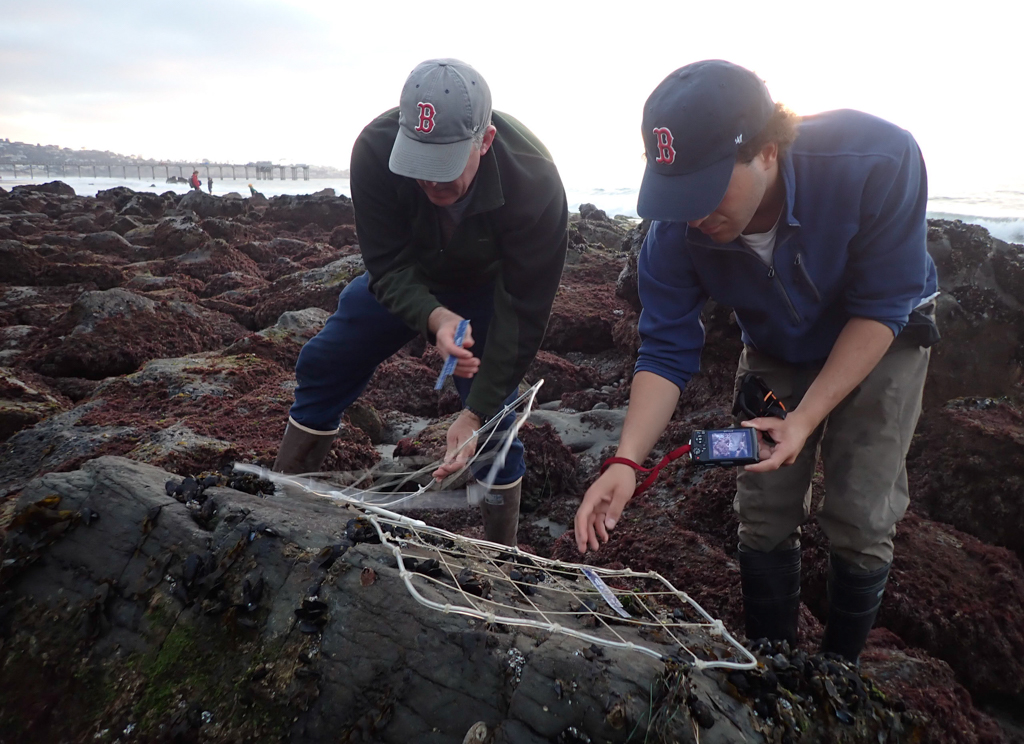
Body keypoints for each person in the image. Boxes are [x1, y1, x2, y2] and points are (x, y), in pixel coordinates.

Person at [574, 60, 938, 663]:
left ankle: (837, 670)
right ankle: (774, 659)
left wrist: (807, 417)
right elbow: (665, 348)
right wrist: (625, 460)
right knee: (764, 510)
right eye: (676, 192)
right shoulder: (674, 233)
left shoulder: (877, 157)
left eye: (706, 188)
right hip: (775, 344)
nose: (692, 214)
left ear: (767, 150)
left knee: (860, 511)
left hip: (882, 337)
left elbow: (883, 305)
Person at [274, 59, 568, 546]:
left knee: (495, 420)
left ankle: (500, 555)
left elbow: (526, 308)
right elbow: (386, 266)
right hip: (409, 276)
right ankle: (285, 500)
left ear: (485, 141)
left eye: (445, 167)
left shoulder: (534, 181)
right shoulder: (373, 149)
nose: (431, 183)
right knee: (325, 360)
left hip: (490, 291)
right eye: (419, 166)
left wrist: (474, 416)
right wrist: (435, 317)